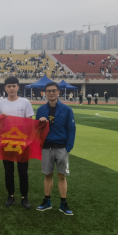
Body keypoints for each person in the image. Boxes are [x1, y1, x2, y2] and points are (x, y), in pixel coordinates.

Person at [36, 82, 76, 216]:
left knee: (61, 176)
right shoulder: (41, 110)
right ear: (45, 93)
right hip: (46, 147)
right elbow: (36, 130)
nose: (51, 93)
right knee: (48, 175)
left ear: (58, 92)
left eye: (54, 90)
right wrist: (40, 124)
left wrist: (68, 147)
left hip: (61, 147)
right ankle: (47, 201)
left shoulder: (67, 110)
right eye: (48, 91)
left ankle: (63, 203)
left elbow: (71, 129)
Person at [0, 77, 35, 209]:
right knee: (8, 171)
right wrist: (1, 119)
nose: (11, 88)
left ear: (18, 87)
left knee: (23, 171)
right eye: (9, 86)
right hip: (6, 143)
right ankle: (10, 195)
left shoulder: (25, 102)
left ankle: (24, 196)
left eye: (14, 86)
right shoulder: (0, 103)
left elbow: (29, 123)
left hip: (22, 143)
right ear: (5, 88)